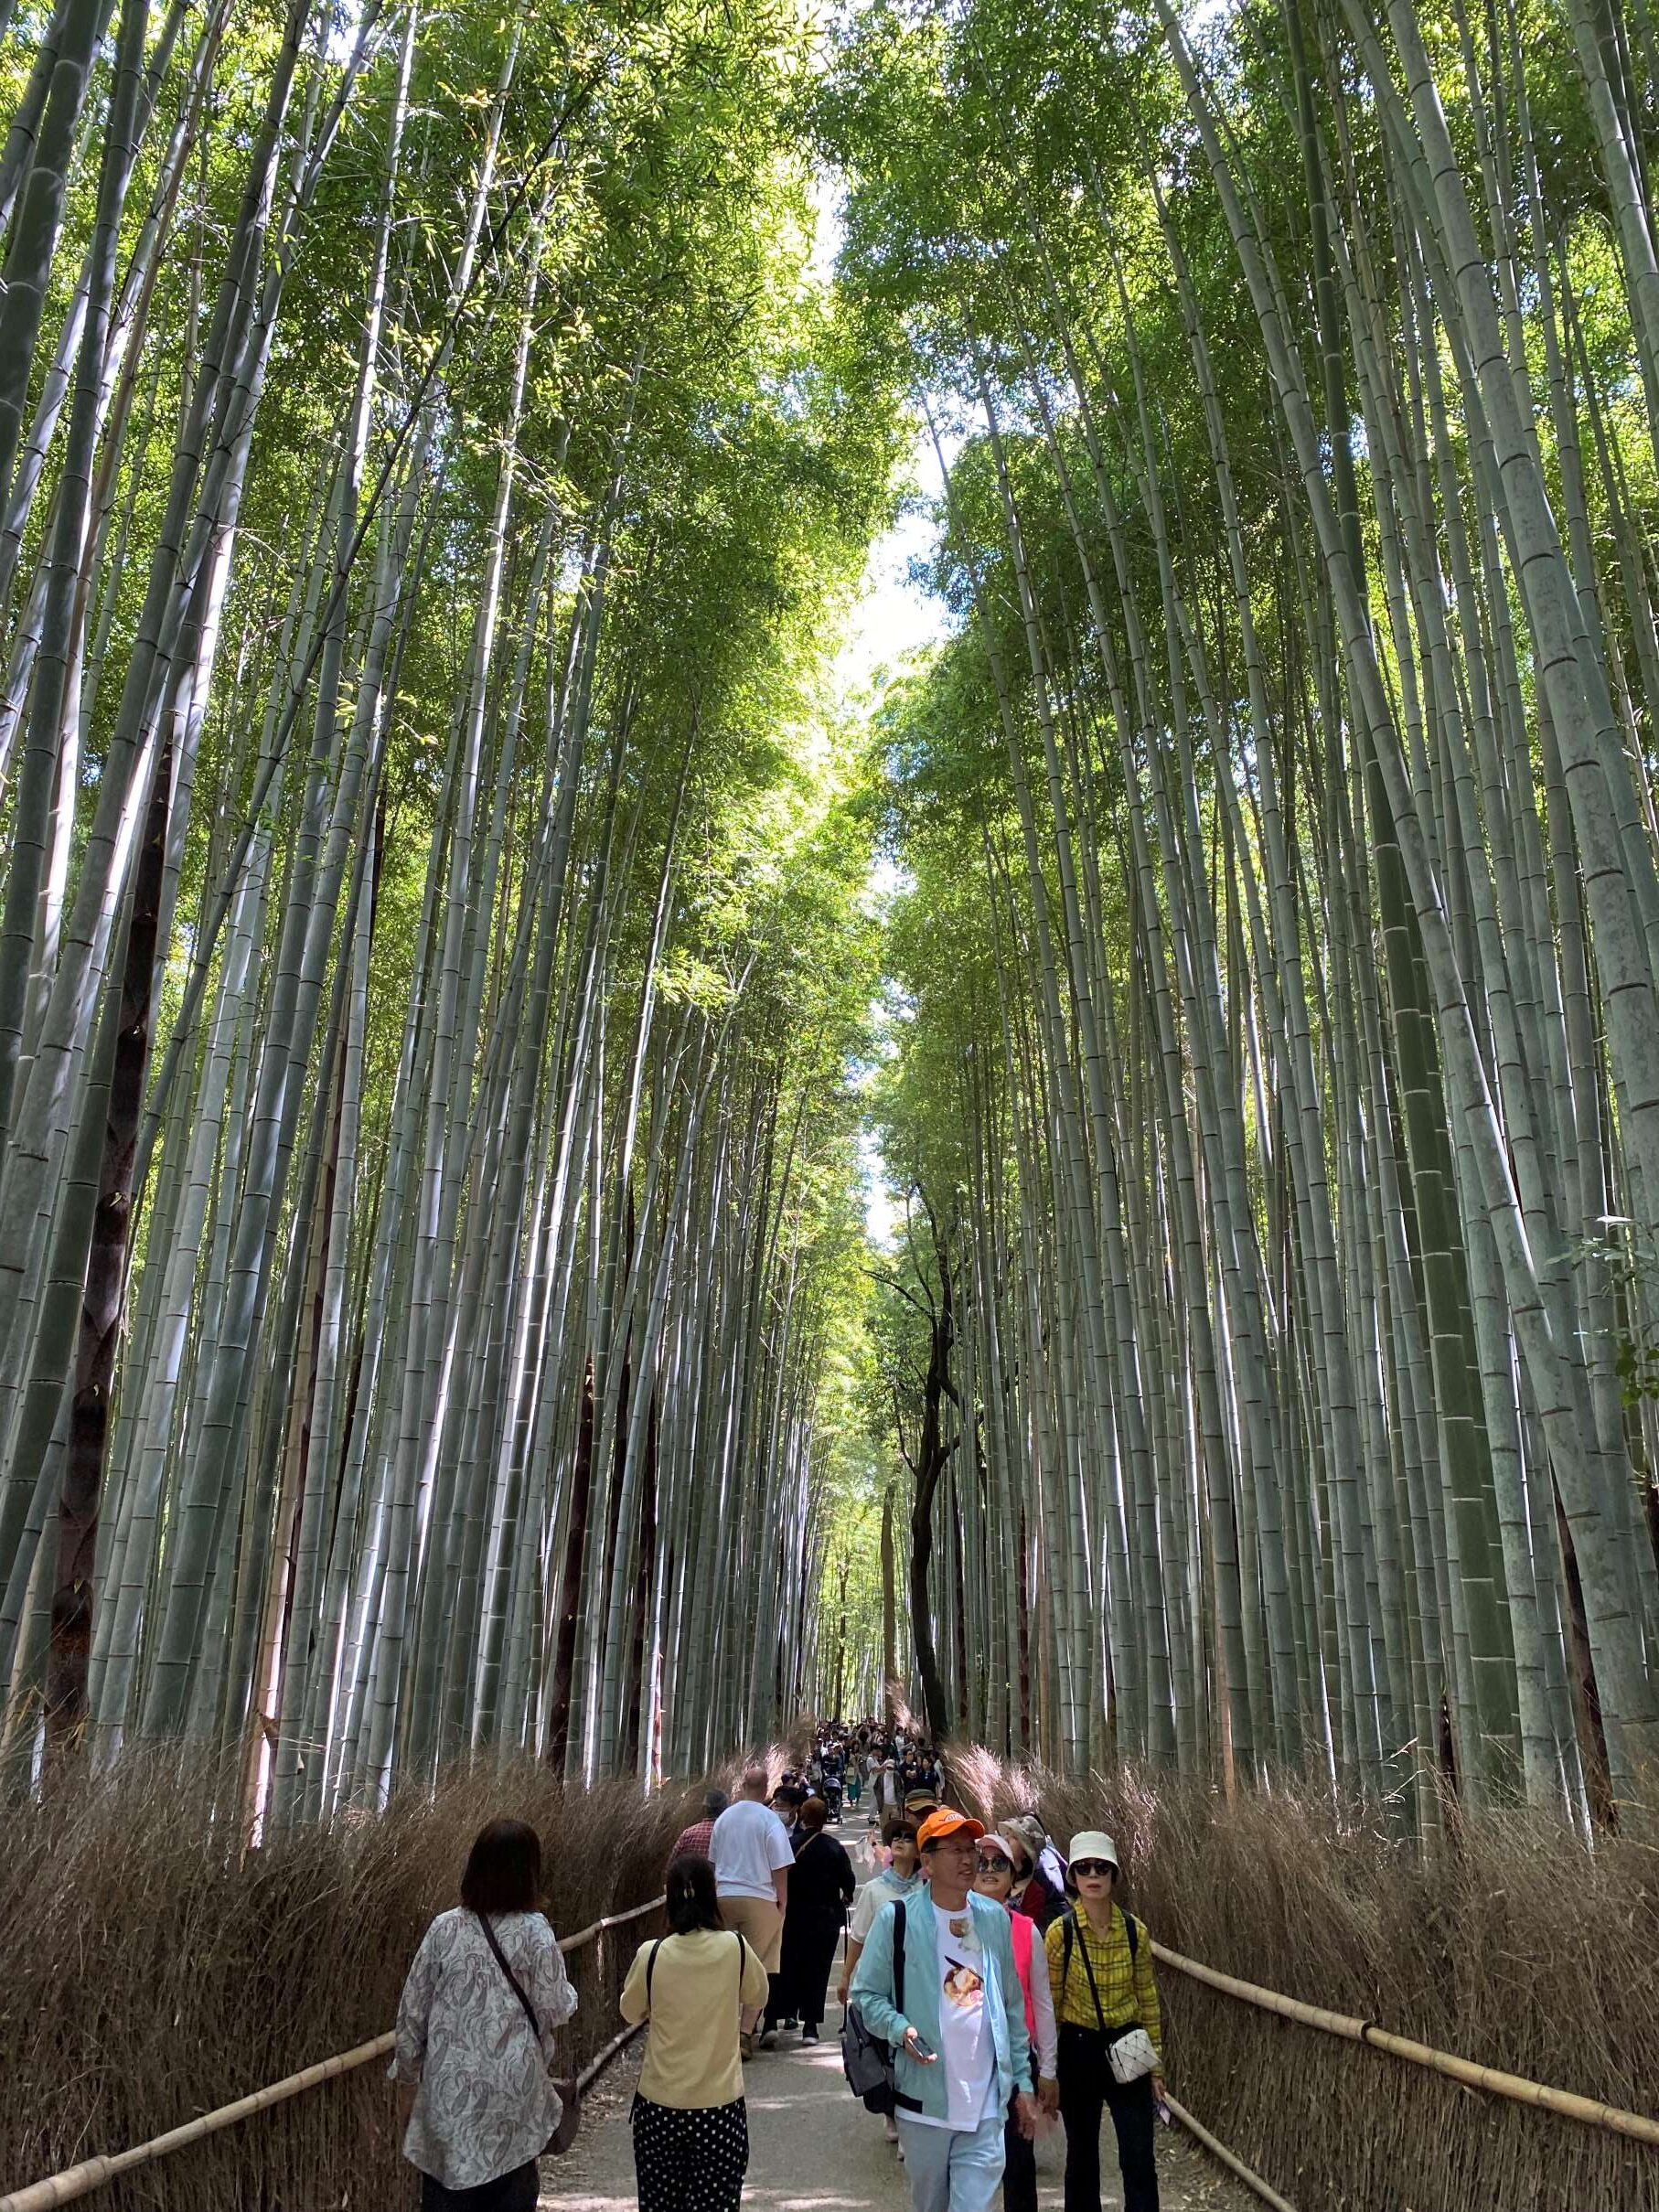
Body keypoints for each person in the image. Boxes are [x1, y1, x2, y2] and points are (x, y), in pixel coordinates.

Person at [851, 1807, 1037, 2212]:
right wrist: (900, 2028)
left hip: (986, 2103)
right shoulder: (896, 1919)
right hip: (925, 2102)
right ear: (928, 1862)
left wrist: (1022, 2083)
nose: (968, 1858)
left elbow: (1010, 2007)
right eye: (954, 1850)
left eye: (970, 1848)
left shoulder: (993, 1919)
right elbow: (865, 1994)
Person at [391, 1818, 577, 2212]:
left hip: (448, 2101)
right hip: (514, 2101)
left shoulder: (444, 1929)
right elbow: (557, 2007)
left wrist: (407, 2082)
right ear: (530, 1872)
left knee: (446, 2194)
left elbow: (411, 2014)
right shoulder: (536, 1933)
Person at [620, 1854, 770, 2212]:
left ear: (670, 1898)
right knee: (716, 2203)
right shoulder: (734, 1948)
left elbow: (629, 2010)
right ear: (711, 1895)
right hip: (718, 2107)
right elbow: (759, 1995)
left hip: (660, 2106)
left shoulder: (652, 1954)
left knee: (660, 2203)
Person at [1044, 1831, 1164, 2212]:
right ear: (1073, 1878)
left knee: (1139, 2155)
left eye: (1101, 1868)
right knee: (1081, 2156)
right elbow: (1052, 2003)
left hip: (1128, 2045)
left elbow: (1147, 1997)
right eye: (1083, 1868)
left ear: (1114, 1876)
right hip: (1079, 2048)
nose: (1093, 1875)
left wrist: (1157, 2067)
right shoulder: (1060, 1933)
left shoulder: (1134, 1931)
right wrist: (1049, 2069)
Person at [975, 1834, 1058, 2212]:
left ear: (1014, 1876)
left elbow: (1042, 2004)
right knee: (968, 2165)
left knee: (1019, 2162)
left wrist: (1050, 2069)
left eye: (999, 1864)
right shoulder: (952, 1927)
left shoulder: (1027, 1930)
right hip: (968, 2060)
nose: (989, 1870)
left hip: (1018, 2061)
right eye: (982, 1863)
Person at [840, 1814, 924, 2147]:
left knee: (909, 2046)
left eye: (908, 1836)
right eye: (896, 1837)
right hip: (880, 1983)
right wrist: (846, 1976)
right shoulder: (875, 1890)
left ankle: (909, 2117)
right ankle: (893, 2113)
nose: (901, 1840)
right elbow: (858, 1938)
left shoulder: (927, 1889)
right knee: (884, 2049)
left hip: (915, 1980)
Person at [711, 1765, 793, 2058]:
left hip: (724, 1897)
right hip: (760, 1898)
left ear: (742, 1785)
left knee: (724, 1966)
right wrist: (783, 1901)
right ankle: (744, 2034)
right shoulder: (770, 1820)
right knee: (758, 1969)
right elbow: (780, 1865)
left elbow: (713, 1862)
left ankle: (720, 2031)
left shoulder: (724, 1819)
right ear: (766, 1789)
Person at [774, 1796, 855, 2043]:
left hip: (791, 1917)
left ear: (801, 1817)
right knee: (817, 1970)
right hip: (824, 1918)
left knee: (786, 1966)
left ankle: (773, 2020)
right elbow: (848, 1881)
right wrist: (847, 1896)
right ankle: (810, 2026)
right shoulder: (833, 1847)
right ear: (824, 1819)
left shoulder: (788, 1845)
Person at [999, 1817, 1064, 1930]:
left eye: (1014, 1837)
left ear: (1025, 1853)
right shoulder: (990, 1874)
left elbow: (1024, 1934)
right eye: (1007, 1834)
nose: (1006, 1838)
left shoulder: (1034, 1893)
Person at [665, 1788, 728, 1876]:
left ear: (704, 1809)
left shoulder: (688, 1834)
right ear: (725, 1810)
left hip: (693, 1887)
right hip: (722, 1887)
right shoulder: (730, 1835)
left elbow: (671, 1867)